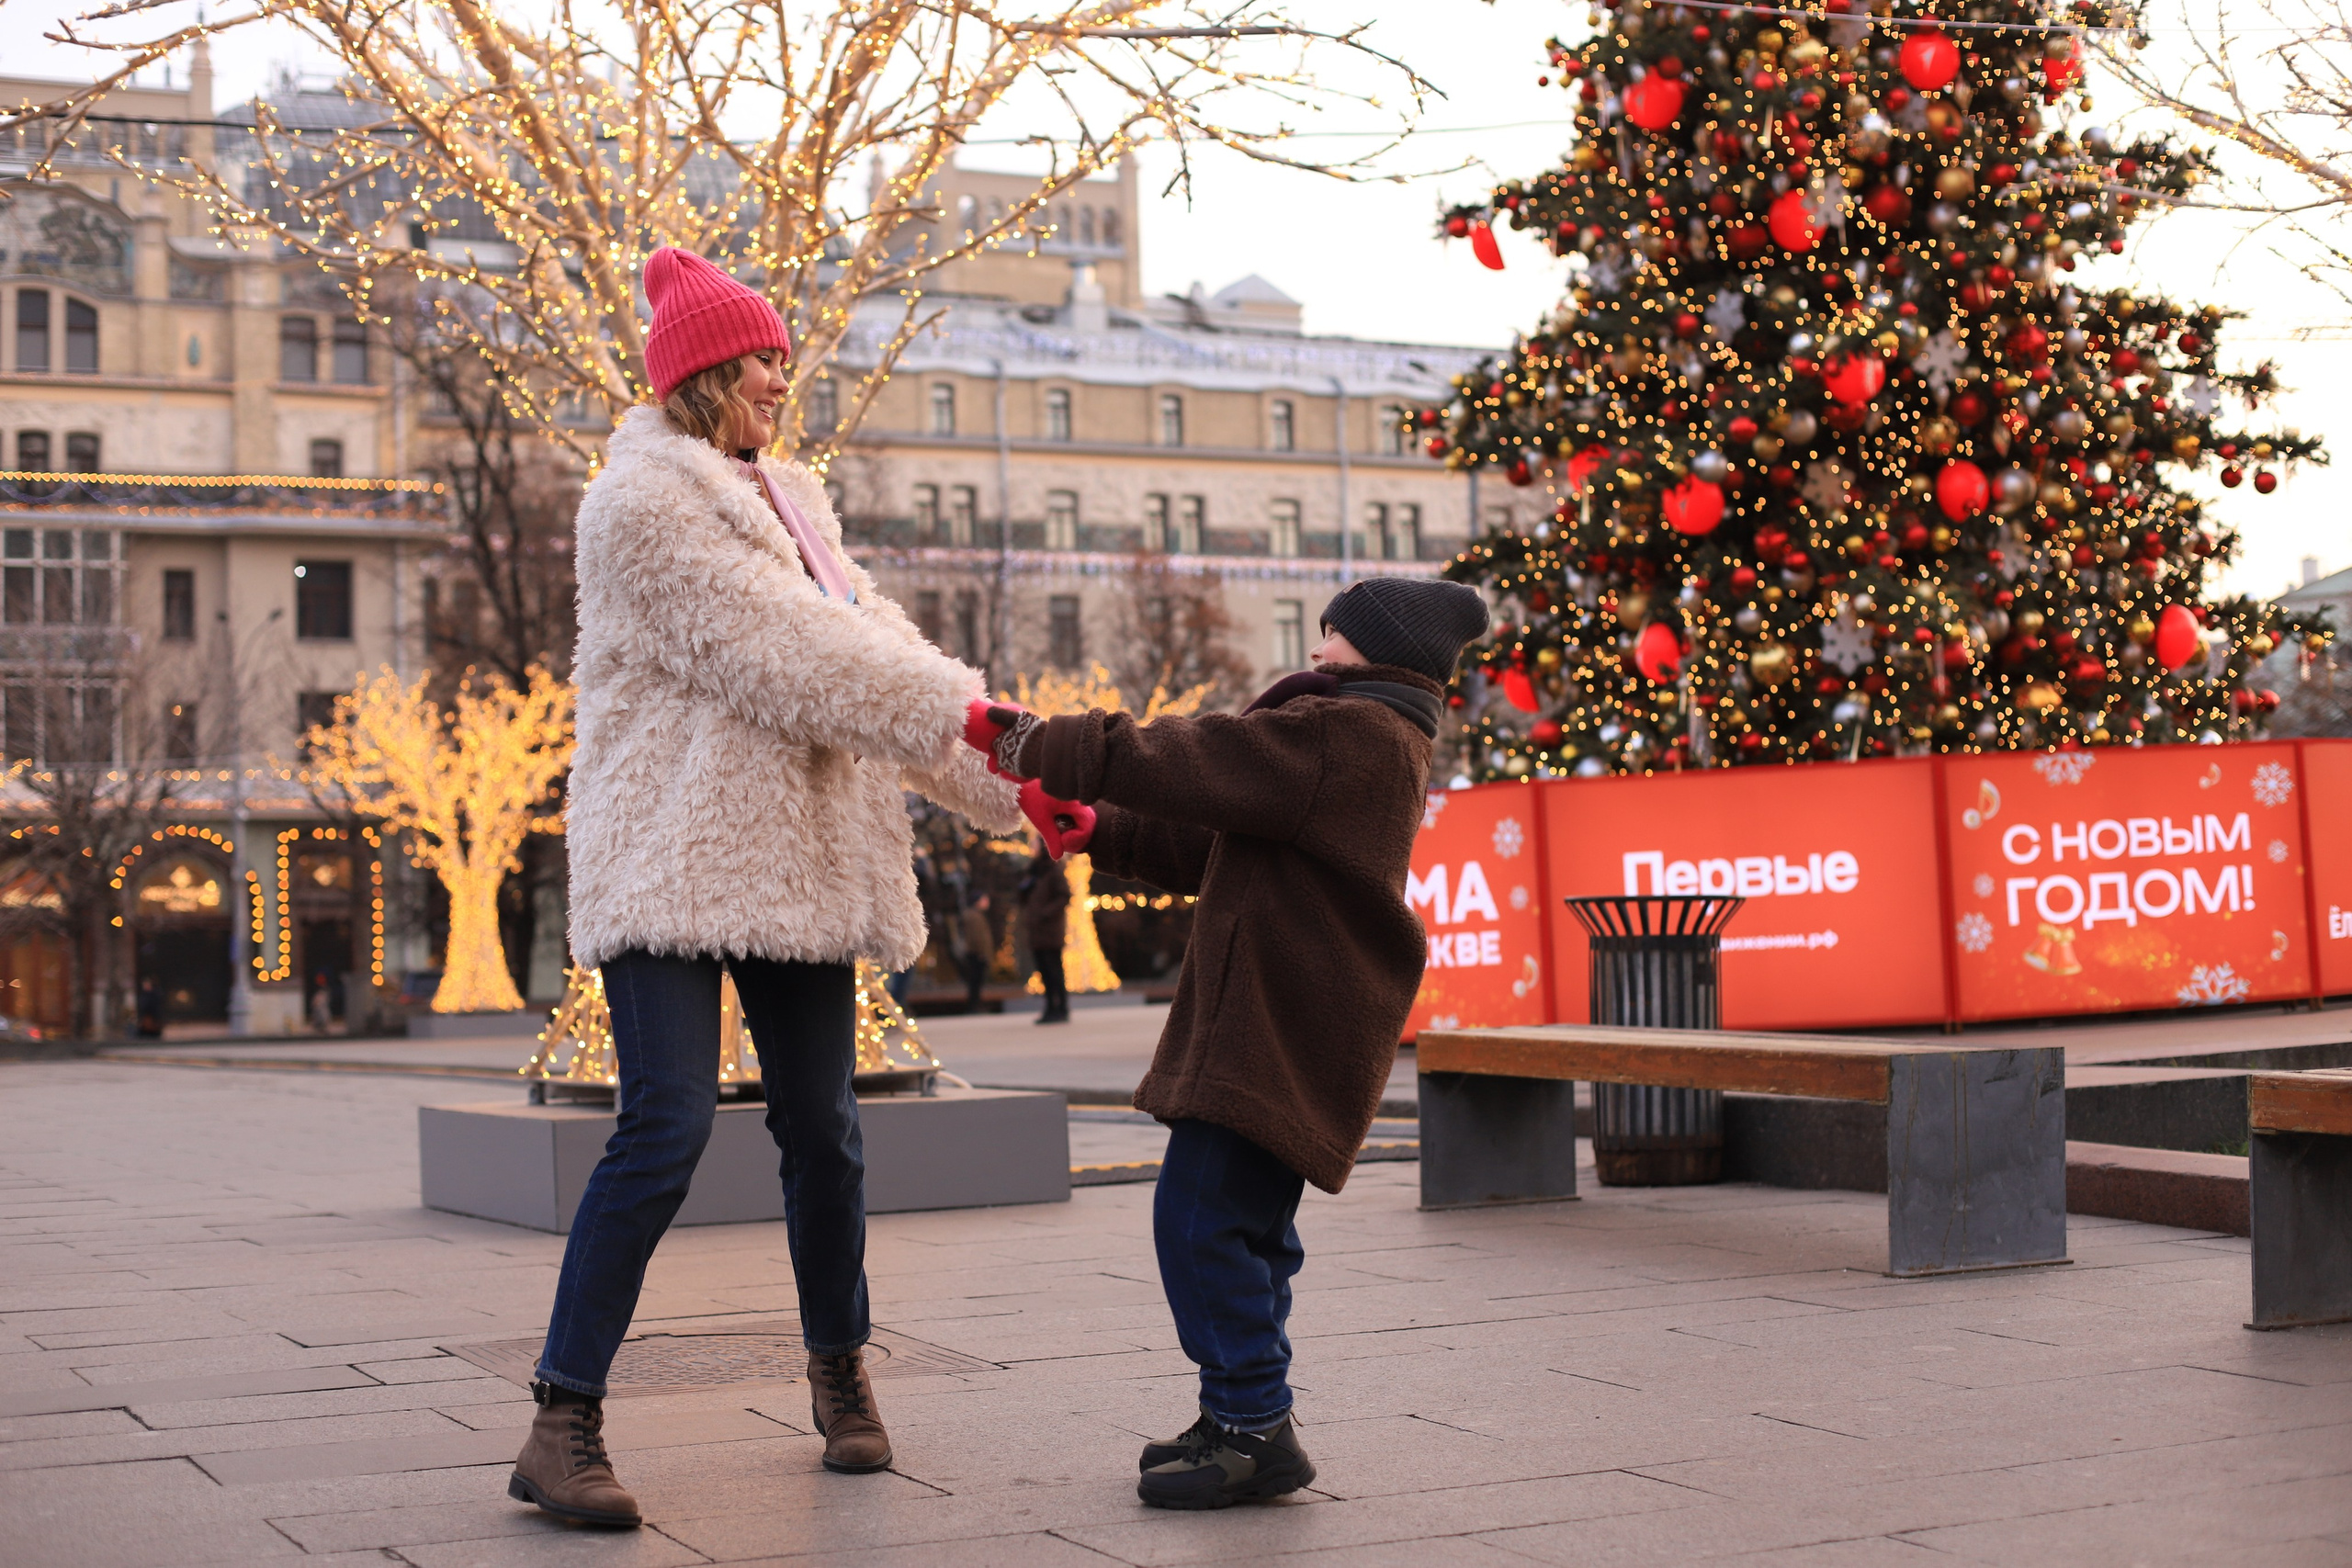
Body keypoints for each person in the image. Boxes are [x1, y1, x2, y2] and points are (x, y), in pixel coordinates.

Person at [510, 246, 1093, 1529]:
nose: (785, 375)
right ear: (710, 369)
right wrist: (981, 712)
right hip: (671, 848)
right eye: (767, 356)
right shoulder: (640, 507)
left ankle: (841, 1373)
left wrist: (1015, 778)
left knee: (822, 1131)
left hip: (795, 858)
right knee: (662, 1122)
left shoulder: (792, 501)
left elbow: (874, 652)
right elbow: (798, 654)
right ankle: (562, 1419)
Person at [966, 575, 1488, 1510]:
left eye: (1337, 634)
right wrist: (1099, 832)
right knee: (1245, 1228)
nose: (1319, 646)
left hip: (1274, 1023)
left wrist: (1039, 740)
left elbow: (1197, 756)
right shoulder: (1355, 737)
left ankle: (1253, 1424)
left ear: (1385, 650)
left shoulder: (1344, 733)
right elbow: (1214, 845)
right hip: (1286, 1021)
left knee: (1199, 1221)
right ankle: (1243, 1412)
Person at [1019, 849, 1071, 1024]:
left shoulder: (1053, 869)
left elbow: (1064, 895)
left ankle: (1061, 1008)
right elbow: (1024, 898)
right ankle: (1050, 1007)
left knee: (1054, 970)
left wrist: (1044, 914)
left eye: (1034, 843)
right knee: (1044, 972)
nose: (1031, 848)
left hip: (1050, 931)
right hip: (1036, 931)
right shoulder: (1033, 871)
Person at [954, 893, 994, 1011]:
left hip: (976, 952)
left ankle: (975, 1005)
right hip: (976, 953)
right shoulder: (974, 916)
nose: (987, 902)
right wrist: (981, 952)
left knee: (976, 981)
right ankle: (974, 1006)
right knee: (975, 981)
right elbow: (976, 937)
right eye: (984, 900)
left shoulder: (974, 915)